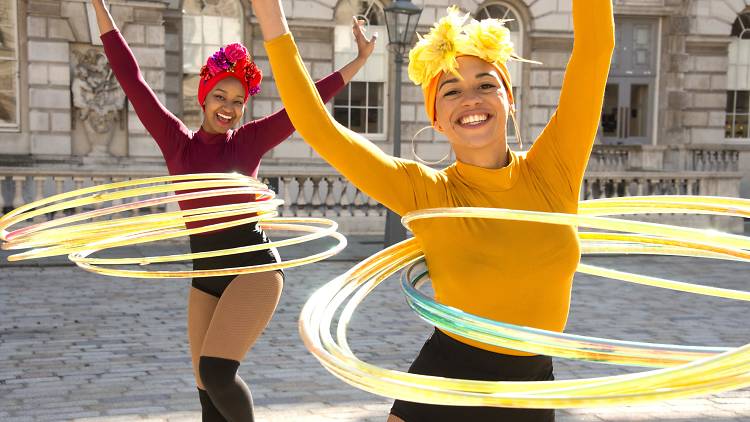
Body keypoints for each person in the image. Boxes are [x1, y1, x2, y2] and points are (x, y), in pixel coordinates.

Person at [251, 0, 614, 421]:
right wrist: (270, 15)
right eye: (452, 90)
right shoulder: (425, 192)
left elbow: (595, 49)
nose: (470, 99)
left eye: (485, 84)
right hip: (443, 384)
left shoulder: (556, 168)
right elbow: (315, 125)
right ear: (437, 118)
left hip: (528, 394)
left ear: (509, 99)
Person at [90, 1, 375, 420]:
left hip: (254, 271)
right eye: (220, 96)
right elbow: (130, 77)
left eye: (238, 101)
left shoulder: (248, 142)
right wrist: (98, 6)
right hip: (205, 274)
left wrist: (359, 61)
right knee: (207, 393)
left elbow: (306, 103)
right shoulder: (176, 142)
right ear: (203, 97)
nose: (228, 107)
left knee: (217, 373)